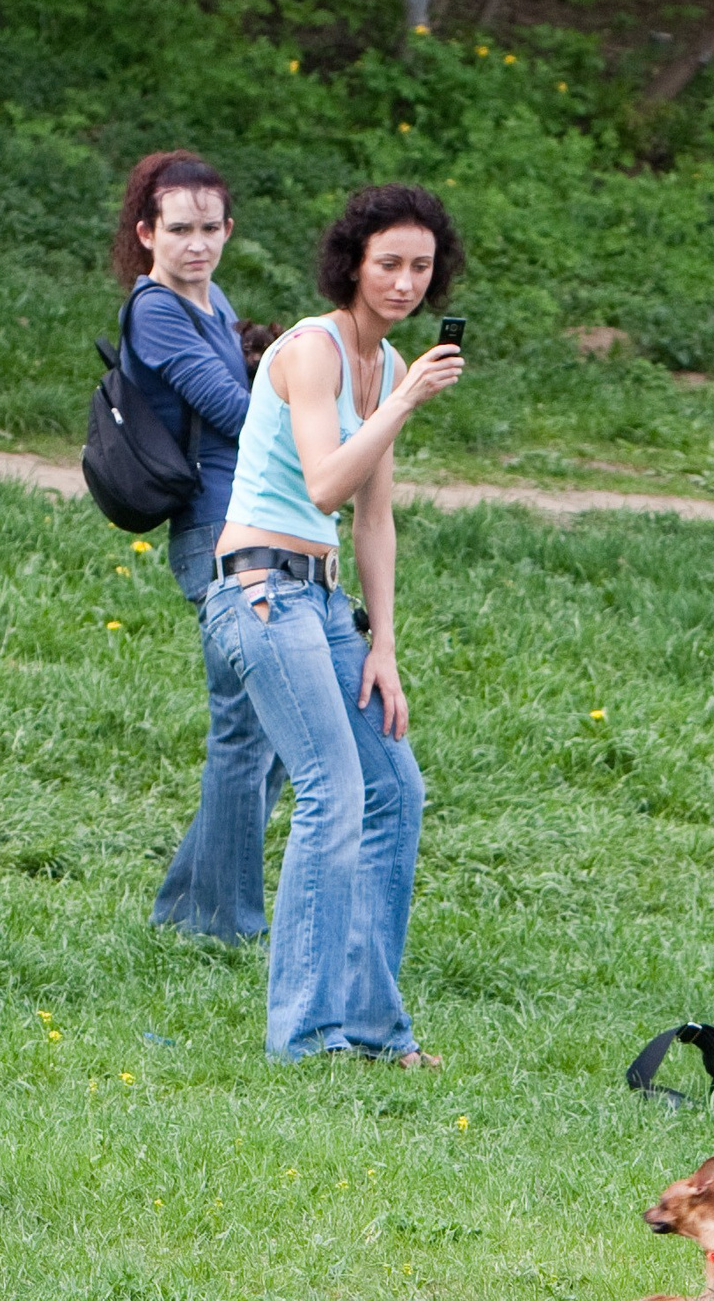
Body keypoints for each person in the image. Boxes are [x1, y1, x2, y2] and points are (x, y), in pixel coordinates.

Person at [206, 185, 466, 1067]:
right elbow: (323, 483)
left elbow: (373, 517)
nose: (402, 281)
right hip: (258, 594)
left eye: (419, 267)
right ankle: (305, 1039)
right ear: (353, 261)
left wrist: (383, 643)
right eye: (387, 262)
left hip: (321, 601)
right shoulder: (312, 351)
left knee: (397, 790)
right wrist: (403, 405)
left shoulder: (389, 365)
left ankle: (371, 1029)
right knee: (334, 791)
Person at [111, 151, 285, 943]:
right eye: (178, 228)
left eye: (210, 227)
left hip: (256, 523)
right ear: (147, 232)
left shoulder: (216, 303)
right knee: (247, 730)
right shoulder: (154, 310)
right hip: (214, 536)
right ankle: (225, 926)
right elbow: (236, 412)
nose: (196, 244)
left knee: (268, 732)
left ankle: (187, 911)